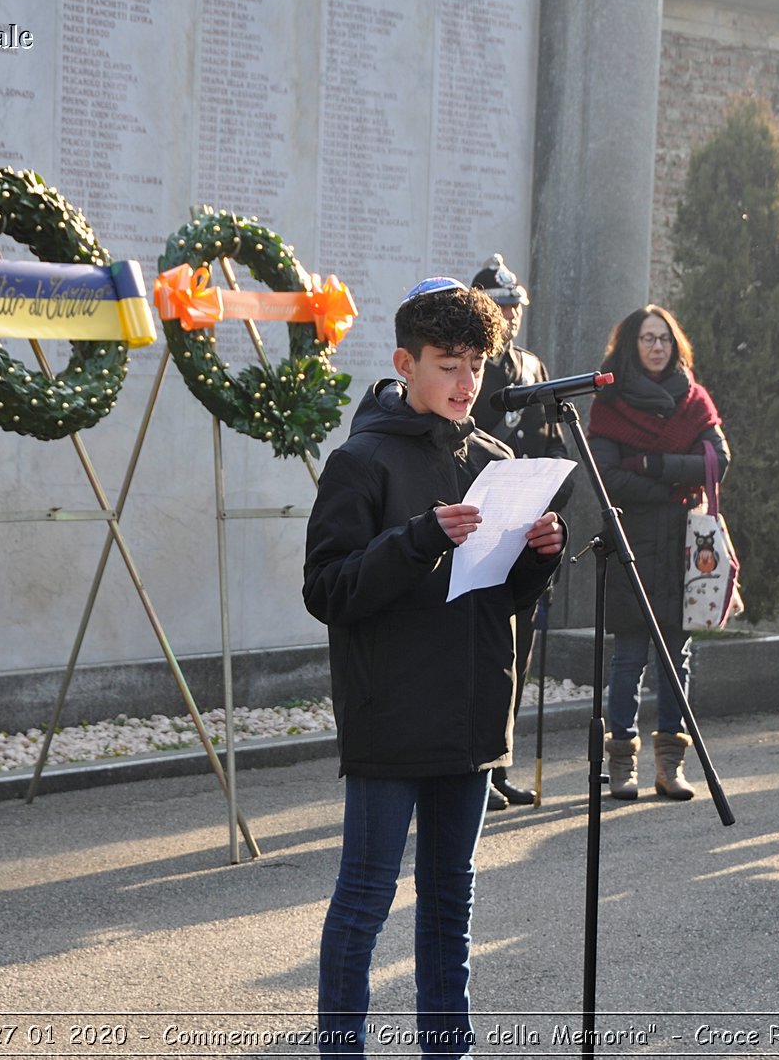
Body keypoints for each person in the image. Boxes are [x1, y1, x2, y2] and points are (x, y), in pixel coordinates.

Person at [303, 278, 565, 1056]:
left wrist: (538, 561)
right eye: (448, 364)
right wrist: (419, 537)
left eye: (476, 365)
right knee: (364, 901)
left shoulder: (496, 457)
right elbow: (328, 589)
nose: (465, 383)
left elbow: (495, 596)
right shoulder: (360, 461)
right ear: (404, 364)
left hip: (474, 714)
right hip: (393, 715)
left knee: (453, 902)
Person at [586, 305, 728, 801]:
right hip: (631, 540)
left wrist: (650, 463)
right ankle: (621, 763)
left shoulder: (693, 399)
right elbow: (607, 476)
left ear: (675, 345)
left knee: (677, 657)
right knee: (628, 658)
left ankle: (671, 766)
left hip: (684, 544)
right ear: (631, 345)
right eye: (647, 338)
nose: (656, 347)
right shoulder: (611, 401)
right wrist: (675, 480)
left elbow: (719, 460)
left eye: (664, 338)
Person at [467, 254, 572, 810]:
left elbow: (553, 443)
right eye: (498, 307)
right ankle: (473, 766)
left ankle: (499, 763)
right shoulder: (473, 370)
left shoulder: (533, 367)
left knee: (517, 656)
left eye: (514, 308)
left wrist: (551, 501)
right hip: (484, 531)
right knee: (481, 654)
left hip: (528, 538)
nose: (509, 318)